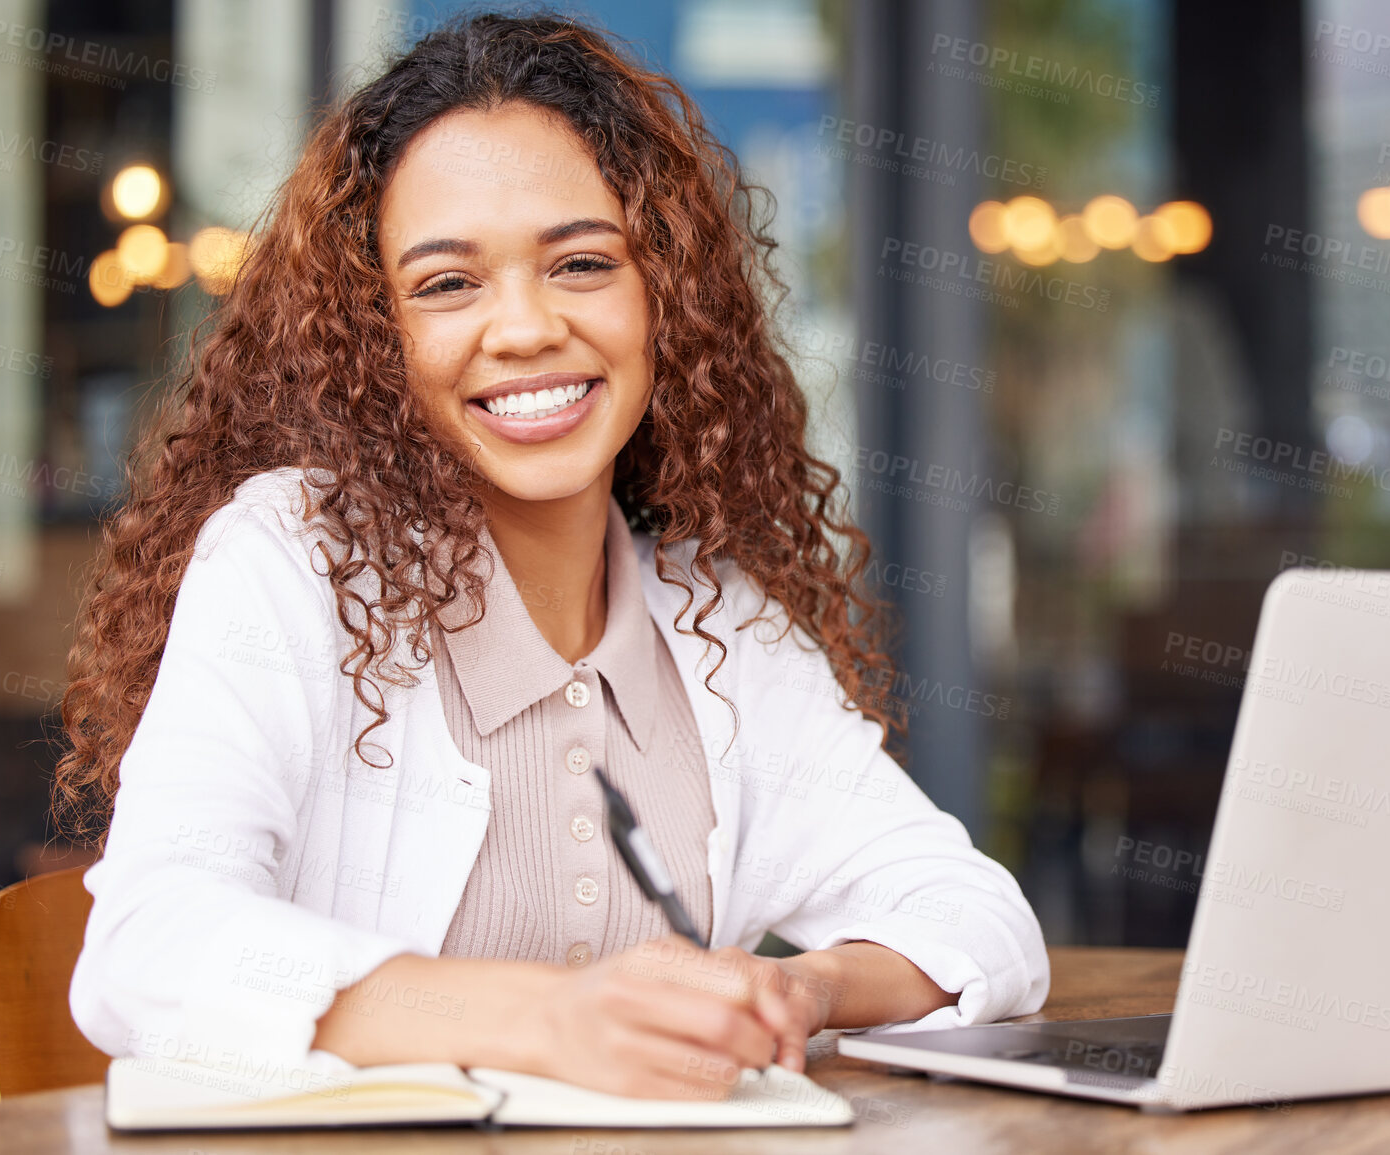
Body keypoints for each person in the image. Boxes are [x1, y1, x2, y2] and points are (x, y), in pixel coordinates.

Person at [58, 12, 1047, 1100]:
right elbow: (149, 949)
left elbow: (978, 918)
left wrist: (796, 991)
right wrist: (551, 1018)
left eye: (581, 263)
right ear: (372, 336)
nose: (524, 329)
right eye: (447, 284)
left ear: (664, 296)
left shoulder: (715, 622)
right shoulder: (294, 560)